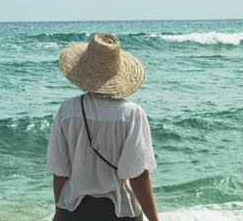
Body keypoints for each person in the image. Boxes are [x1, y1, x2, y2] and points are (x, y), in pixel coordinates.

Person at [46, 32, 159, 221]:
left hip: (74, 210)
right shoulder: (131, 113)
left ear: (83, 70)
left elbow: (60, 171)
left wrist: (59, 211)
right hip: (119, 211)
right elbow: (137, 174)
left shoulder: (68, 109)